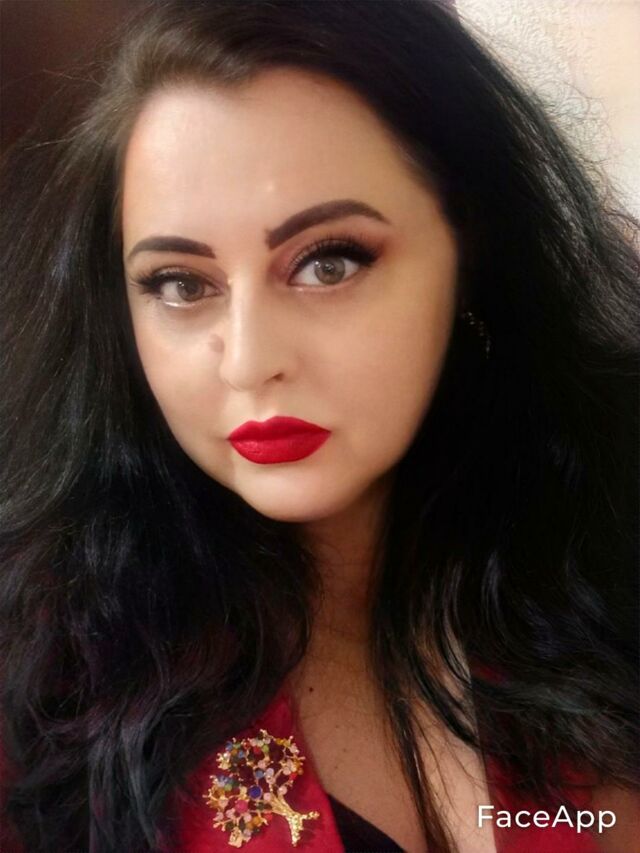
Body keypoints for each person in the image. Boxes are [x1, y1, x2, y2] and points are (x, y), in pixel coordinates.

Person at [1, 1, 638, 851]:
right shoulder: (46, 690)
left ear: (471, 254)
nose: (248, 361)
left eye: (327, 263)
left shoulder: (600, 569)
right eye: (181, 284)